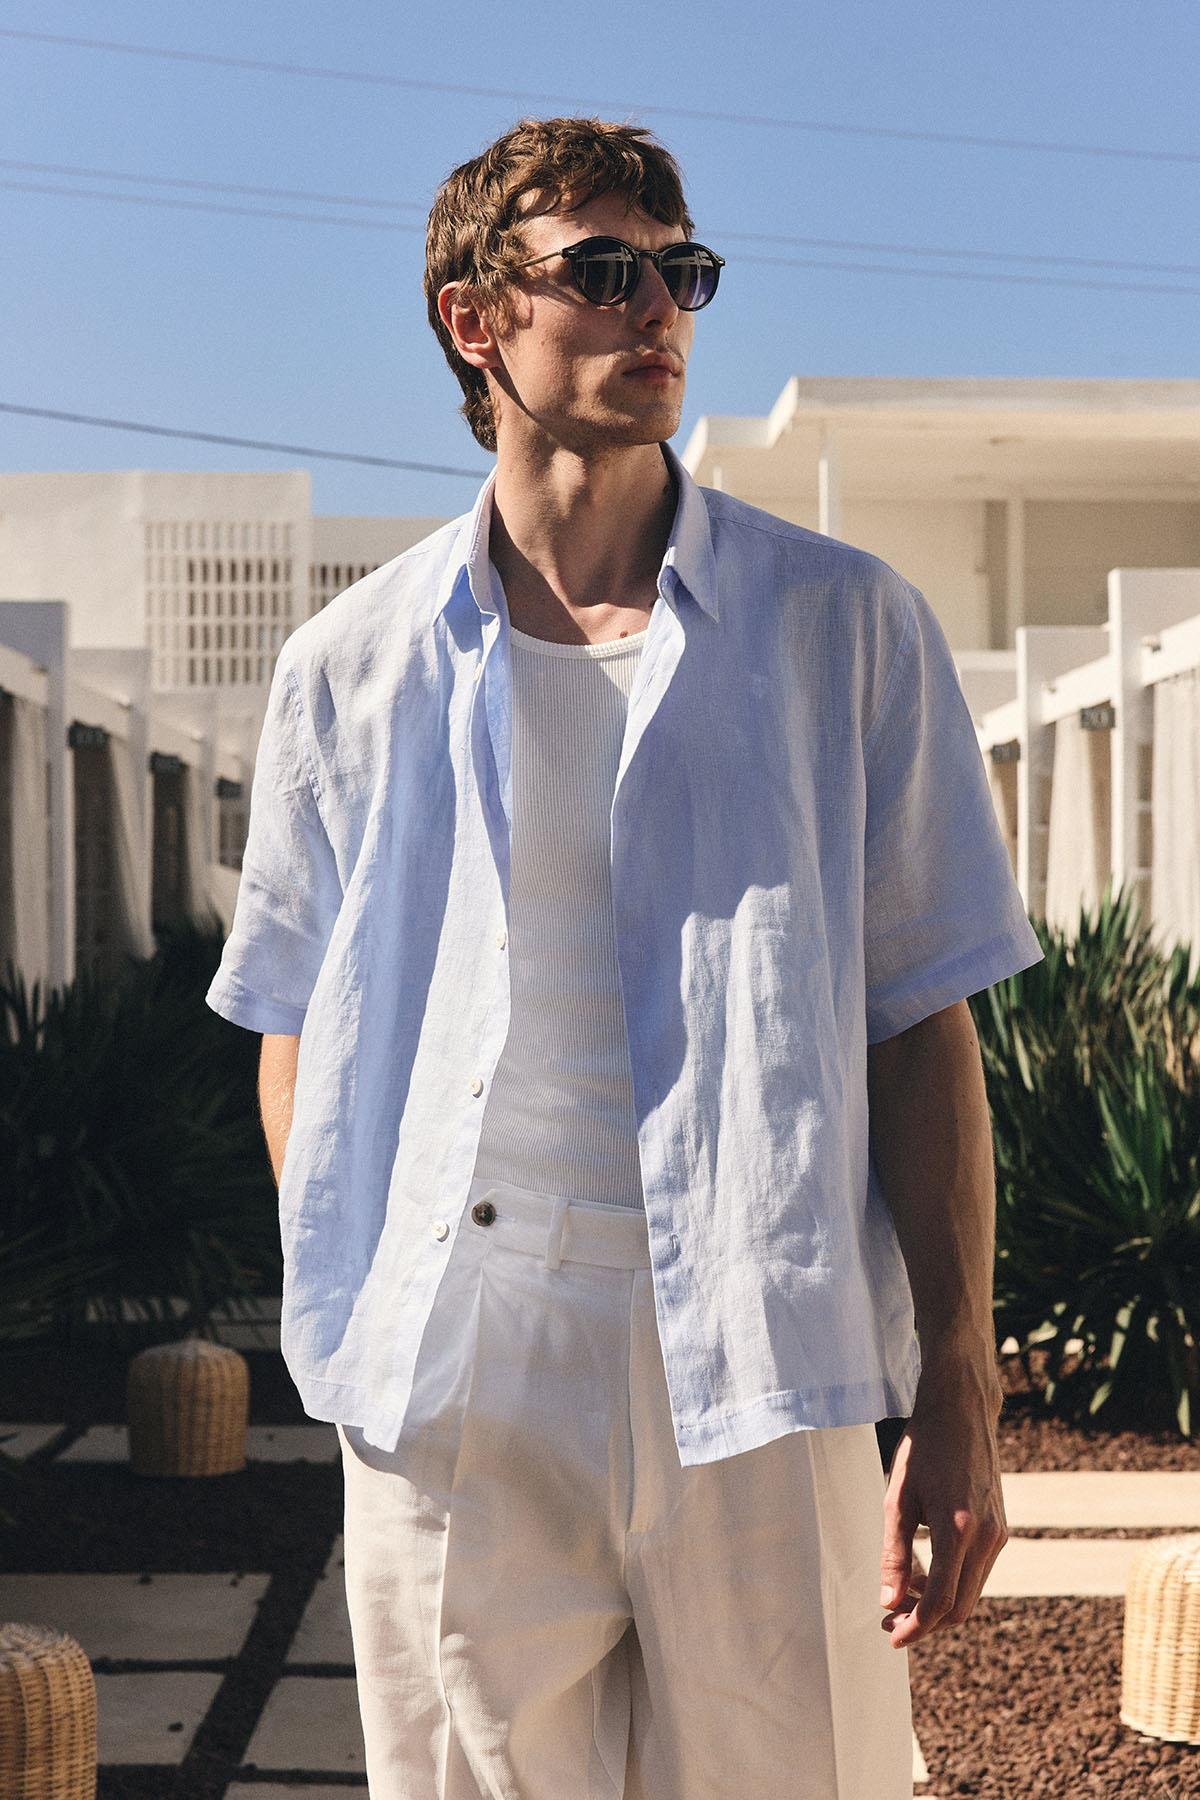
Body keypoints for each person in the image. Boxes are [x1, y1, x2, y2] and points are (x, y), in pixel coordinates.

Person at [206, 113, 1044, 1799]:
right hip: (465, 1357)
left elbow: (918, 1021)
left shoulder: (842, 628)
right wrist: (359, 1295)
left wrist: (959, 1386)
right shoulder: (350, 667)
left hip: (759, 1326)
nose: (657, 307)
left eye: (681, 272)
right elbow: (295, 1021)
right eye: (600, 271)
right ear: (474, 318)